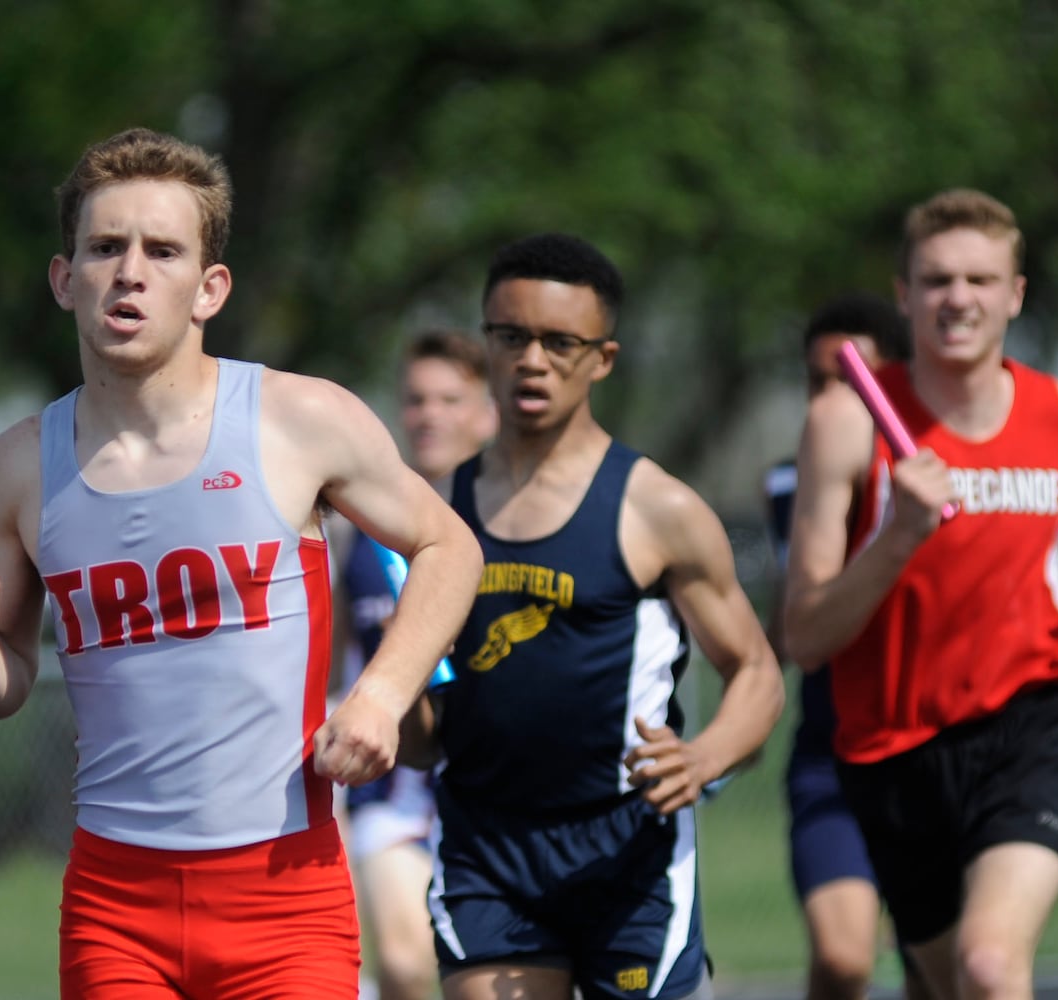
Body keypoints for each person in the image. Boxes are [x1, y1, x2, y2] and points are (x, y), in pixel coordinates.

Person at [0, 127, 484, 1000]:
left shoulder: (300, 419)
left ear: (208, 287)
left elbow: (449, 546)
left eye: (162, 250)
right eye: (104, 247)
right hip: (114, 904)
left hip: (286, 895)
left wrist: (380, 694)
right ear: (65, 279)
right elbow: (8, 675)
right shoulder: (21, 464)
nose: (129, 271)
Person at [783, 189, 1058, 1000]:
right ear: (902, 293)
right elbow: (807, 635)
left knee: (990, 967)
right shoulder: (845, 422)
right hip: (892, 748)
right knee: (949, 983)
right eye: (936, 280)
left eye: (980, 280)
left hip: (1033, 718)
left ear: (1014, 294)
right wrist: (896, 536)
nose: (958, 298)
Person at [402, 232, 785, 1000]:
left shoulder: (659, 509)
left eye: (559, 342)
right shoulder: (434, 514)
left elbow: (756, 673)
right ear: (487, 346)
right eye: (511, 337)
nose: (532, 360)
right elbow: (417, 746)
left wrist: (704, 759)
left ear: (601, 358)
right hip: (486, 847)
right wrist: (390, 700)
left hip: (627, 846)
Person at [762, 293, 932, 1000]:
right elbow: (805, 618)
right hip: (833, 755)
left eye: (851, 381)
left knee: (940, 971)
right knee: (841, 960)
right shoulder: (790, 485)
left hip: (935, 751)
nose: (829, 401)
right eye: (817, 382)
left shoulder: (944, 474)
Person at [336, 330, 496, 1000]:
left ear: (487, 411)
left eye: (449, 399)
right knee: (403, 965)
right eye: (415, 399)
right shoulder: (358, 527)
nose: (429, 414)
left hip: (493, 788)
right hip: (394, 788)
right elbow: (333, 657)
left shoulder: (509, 522)